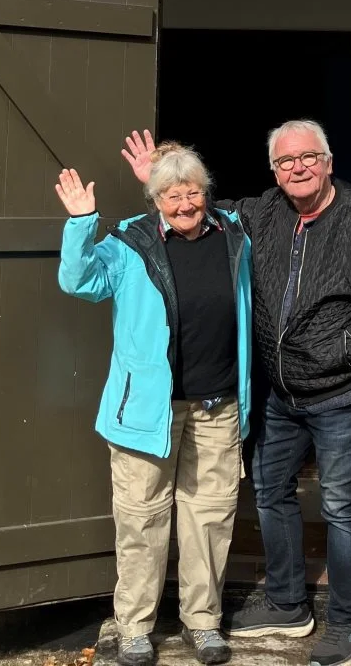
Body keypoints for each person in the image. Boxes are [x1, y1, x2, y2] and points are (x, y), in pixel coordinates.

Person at [122, 122, 351, 666]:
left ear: (329, 161)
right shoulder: (261, 214)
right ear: (274, 172)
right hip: (278, 394)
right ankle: (289, 605)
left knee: (341, 508)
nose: (298, 169)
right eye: (286, 163)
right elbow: (197, 212)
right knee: (270, 493)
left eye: (308, 157)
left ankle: (349, 623)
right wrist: (161, 181)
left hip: (341, 394)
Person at [55, 143, 253, 666]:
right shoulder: (128, 241)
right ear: (154, 199)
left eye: (192, 192)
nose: (184, 204)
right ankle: (135, 626)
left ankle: (203, 621)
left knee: (209, 517)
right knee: (142, 520)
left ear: (206, 193)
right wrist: (81, 222)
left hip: (218, 405)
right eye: (171, 194)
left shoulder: (234, 232)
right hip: (147, 409)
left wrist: (165, 169)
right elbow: (79, 281)